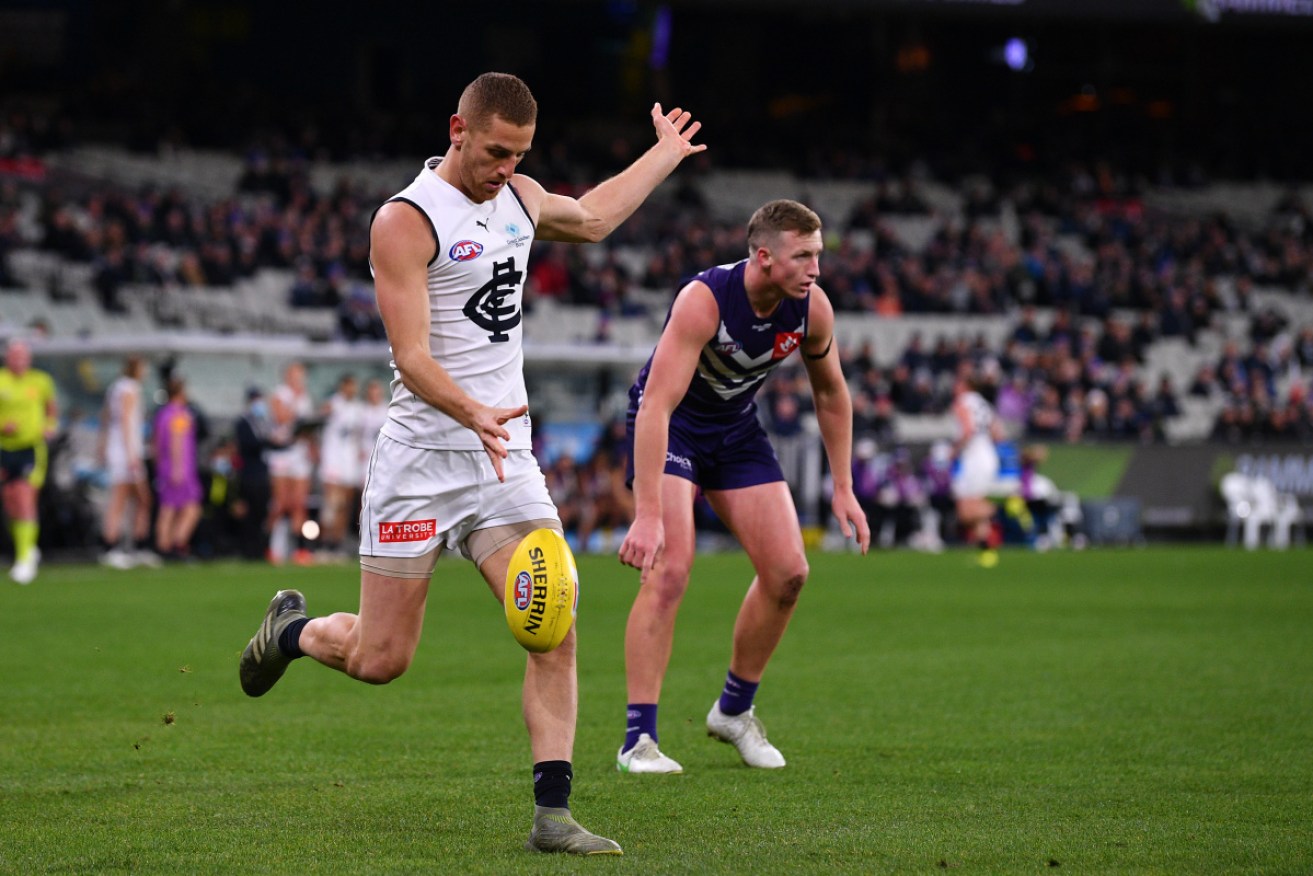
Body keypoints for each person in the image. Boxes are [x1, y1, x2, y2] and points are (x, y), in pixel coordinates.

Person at [237, 72, 705, 855]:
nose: (506, 168)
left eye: (519, 154)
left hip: (502, 462)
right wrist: (472, 411)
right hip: (422, 460)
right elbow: (411, 356)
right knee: (382, 660)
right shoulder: (406, 220)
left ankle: (553, 815)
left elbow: (590, 218)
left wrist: (662, 154)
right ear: (457, 128)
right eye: (495, 151)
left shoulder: (519, 198)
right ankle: (292, 631)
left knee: (554, 619)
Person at [615, 199, 870, 775]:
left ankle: (733, 712)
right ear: (763, 257)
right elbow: (656, 404)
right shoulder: (705, 300)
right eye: (803, 256)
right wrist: (648, 512)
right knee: (671, 568)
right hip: (673, 423)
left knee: (789, 572)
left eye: (818, 255)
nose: (815, 269)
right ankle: (639, 739)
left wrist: (844, 486)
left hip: (734, 430)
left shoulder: (812, 310)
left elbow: (831, 393)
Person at [0, 338, 58, 584]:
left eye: (23, 356)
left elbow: (51, 408)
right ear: (7, 358)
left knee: (25, 497)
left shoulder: (41, 381)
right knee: (10, 500)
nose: (19, 360)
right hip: (4, 447)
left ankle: (24, 559)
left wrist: (49, 426)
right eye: (15, 356)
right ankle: (27, 547)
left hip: (31, 448)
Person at [99, 355, 159, 570]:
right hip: (125, 452)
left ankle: (134, 545)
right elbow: (126, 421)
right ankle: (112, 547)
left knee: (140, 500)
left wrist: (102, 446)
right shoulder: (129, 389)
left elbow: (106, 418)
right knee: (123, 499)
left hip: (120, 450)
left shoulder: (115, 388)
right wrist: (133, 454)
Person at [950, 369, 1005, 567]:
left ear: (965, 386)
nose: (954, 388)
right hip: (988, 454)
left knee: (966, 509)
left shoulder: (962, 402)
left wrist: (955, 451)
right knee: (973, 506)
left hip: (974, 457)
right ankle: (986, 553)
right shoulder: (984, 403)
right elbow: (999, 433)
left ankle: (1003, 510)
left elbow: (967, 430)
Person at [266, 361, 315, 564]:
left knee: (299, 503)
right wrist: (295, 402)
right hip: (282, 454)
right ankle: (271, 547)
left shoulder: (306, 397)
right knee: (281, 502)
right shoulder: (281, 394)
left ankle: (299, 549)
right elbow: (281, 417)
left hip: (299, 453)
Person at [152, 377, 202, 560]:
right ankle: (176, 544)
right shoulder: (180, 415)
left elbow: (156, 444)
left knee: (169, 508)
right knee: (188, 508)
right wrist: (177, 468)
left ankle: (164, 546)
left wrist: (160, 465)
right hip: (181, 468)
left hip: (165, 467)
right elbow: (176, 442)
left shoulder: (162, 414)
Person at [318, 373, 363, 559]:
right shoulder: (333, 404)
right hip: (333, 461)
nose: (352, 390)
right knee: (332, 504)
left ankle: (337, 544)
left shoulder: (357, 408)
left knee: (345, 505)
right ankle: (324, 544)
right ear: (342, 387)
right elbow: (317, 418)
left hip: (349, 462)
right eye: (349, 386)